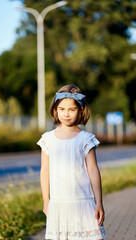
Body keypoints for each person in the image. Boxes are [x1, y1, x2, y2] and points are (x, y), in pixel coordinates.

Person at [37, 84, 106, 240]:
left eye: (71, 109)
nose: (66, 114)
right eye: (62, 109)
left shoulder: (86, 139)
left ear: (80, 110)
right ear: (55, 110)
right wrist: (46, 201)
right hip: (58, 204)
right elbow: (45, 171)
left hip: (84, 203)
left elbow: (93, 171)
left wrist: (99, 202)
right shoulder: (47, 139)